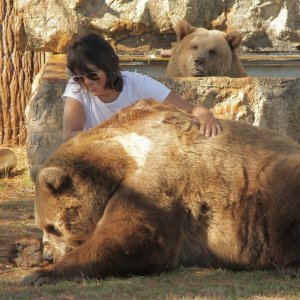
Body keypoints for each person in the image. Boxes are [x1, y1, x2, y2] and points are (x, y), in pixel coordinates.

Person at [62, 31, 222, 142]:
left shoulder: (138, 84)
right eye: (79, 77)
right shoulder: (76, 87)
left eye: (92, 74)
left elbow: (189, 109)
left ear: (108, 65)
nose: (87, 82)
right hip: (98, 156)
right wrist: (110, 135)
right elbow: (70, 135)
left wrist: (203, 113)